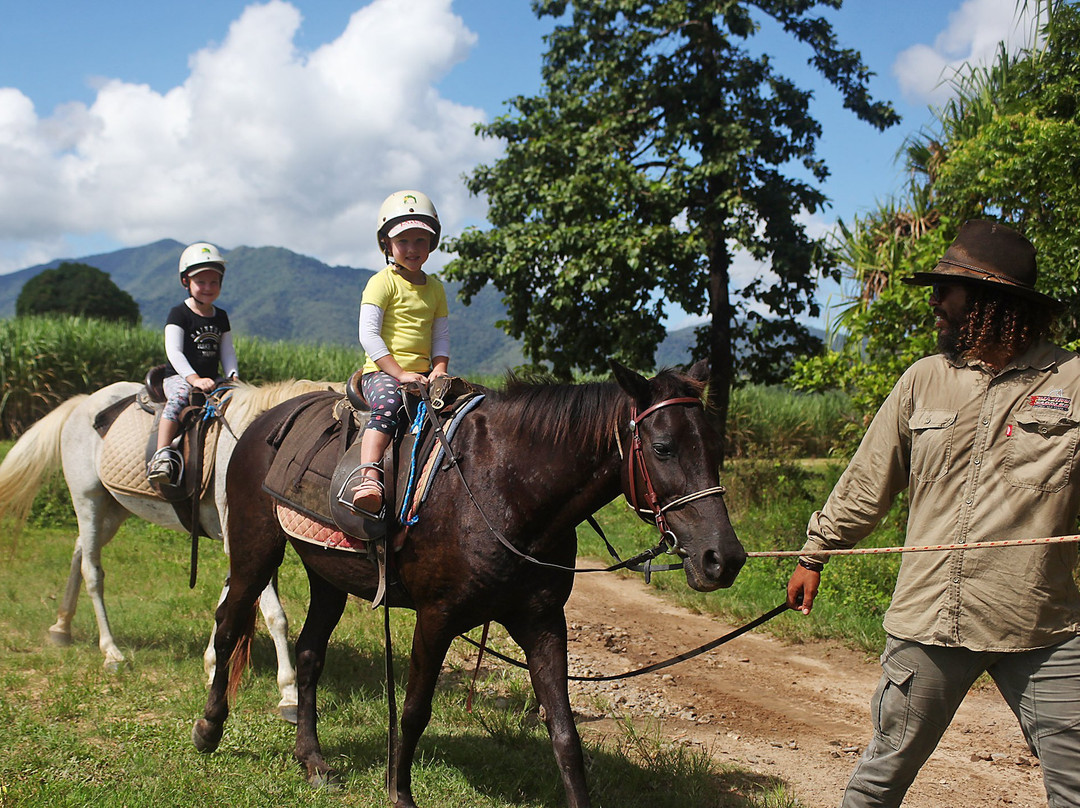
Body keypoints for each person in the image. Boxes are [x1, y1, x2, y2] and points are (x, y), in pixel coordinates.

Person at [787, 219, 1080, 808]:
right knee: (877, 783)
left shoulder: (1072, 382)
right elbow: (868, 481)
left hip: (1043, 628)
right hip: (930, 623)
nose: (934, 301)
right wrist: (814, 552)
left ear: (992, 301)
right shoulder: (924, 379)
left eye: (947, 289)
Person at [351, 190, 449, 515]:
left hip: (423, 375)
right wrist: (399, 372)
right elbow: (368, 334)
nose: (412, 248)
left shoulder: (436, 288)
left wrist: (439, 367)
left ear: (431, 245)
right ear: (387, 244)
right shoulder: (381, 283)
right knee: (390, 402)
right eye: (403, 240)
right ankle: (368, 477)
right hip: (382, 374)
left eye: (421, 240)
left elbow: (441, 336)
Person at [146, 242, 238, 485]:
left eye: (214, 282)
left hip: (211, 378)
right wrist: (194, 379)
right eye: (201, 282)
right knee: (178, 399)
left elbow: (226, 350)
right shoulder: (179, 313)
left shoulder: (221, 316)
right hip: (180, 377)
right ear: (186, 282)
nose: (208, 288)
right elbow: (174, 352)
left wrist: (233, 374)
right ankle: (162, 455)